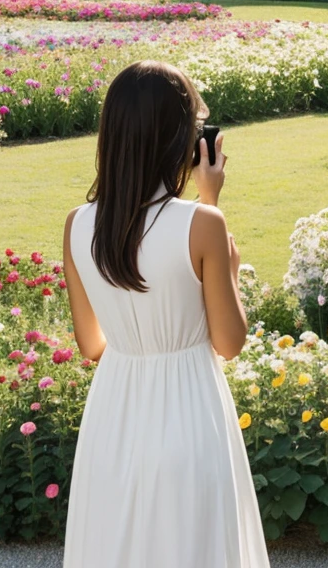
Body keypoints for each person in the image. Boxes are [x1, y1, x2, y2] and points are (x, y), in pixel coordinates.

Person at [62, 60, 270, 568]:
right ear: (179, 138)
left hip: (113, 415)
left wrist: (140, 340)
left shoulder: (76, 225)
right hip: (189, 409)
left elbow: (91, 346)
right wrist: (215, 217)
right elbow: (229, 342)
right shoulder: (203, 223)